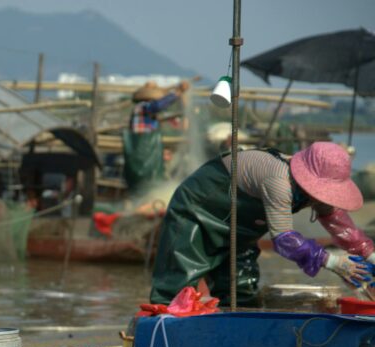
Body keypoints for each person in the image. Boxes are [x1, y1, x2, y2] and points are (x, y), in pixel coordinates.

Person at [150, 141, 375, 306]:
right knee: (178, 283)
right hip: (199, 205)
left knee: (240, 289)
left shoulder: (313, 194)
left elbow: (342, 227)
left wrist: (370, 255)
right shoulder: (279, 181)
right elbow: (284, 239)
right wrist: (333, 262)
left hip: (241, 227)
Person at [123, 80, 189, 192]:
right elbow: (158, 106)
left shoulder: (139, 108)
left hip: (140, 148)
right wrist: (177, 94)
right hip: (144, 149)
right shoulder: (145, 106)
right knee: (149, 180)